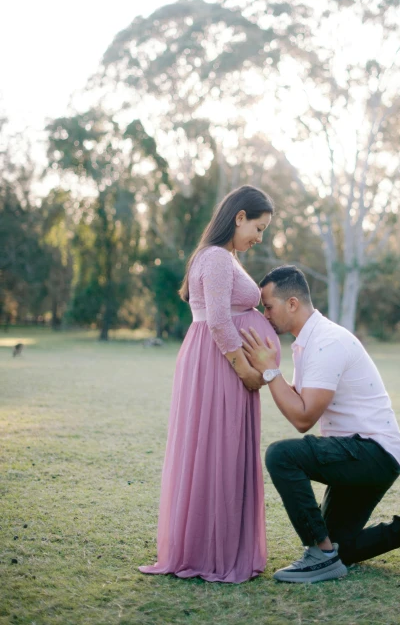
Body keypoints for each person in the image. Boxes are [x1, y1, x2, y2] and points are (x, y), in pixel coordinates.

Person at [241, 265, 400, 583]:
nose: (265, 314)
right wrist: (266, 371)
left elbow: (303, 418)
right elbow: (299, 403)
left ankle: (319, 554)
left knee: (280, 455)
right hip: (363, 452)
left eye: (268, 306)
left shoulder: (328, 342)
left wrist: (271, 371)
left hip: (371, 451)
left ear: (293, 304)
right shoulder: (307, 343)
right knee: (344, 549)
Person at [139, 186, 281, 583]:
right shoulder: (218, 257)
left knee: (217, 450)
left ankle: (214, 543)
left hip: (214, 359)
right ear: (239, 217)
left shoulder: (224, 256)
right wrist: (247, 372)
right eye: (259, 226)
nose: (260, 237)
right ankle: (210, 551)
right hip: (220, 363)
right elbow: (219, 319)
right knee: (218, 450)